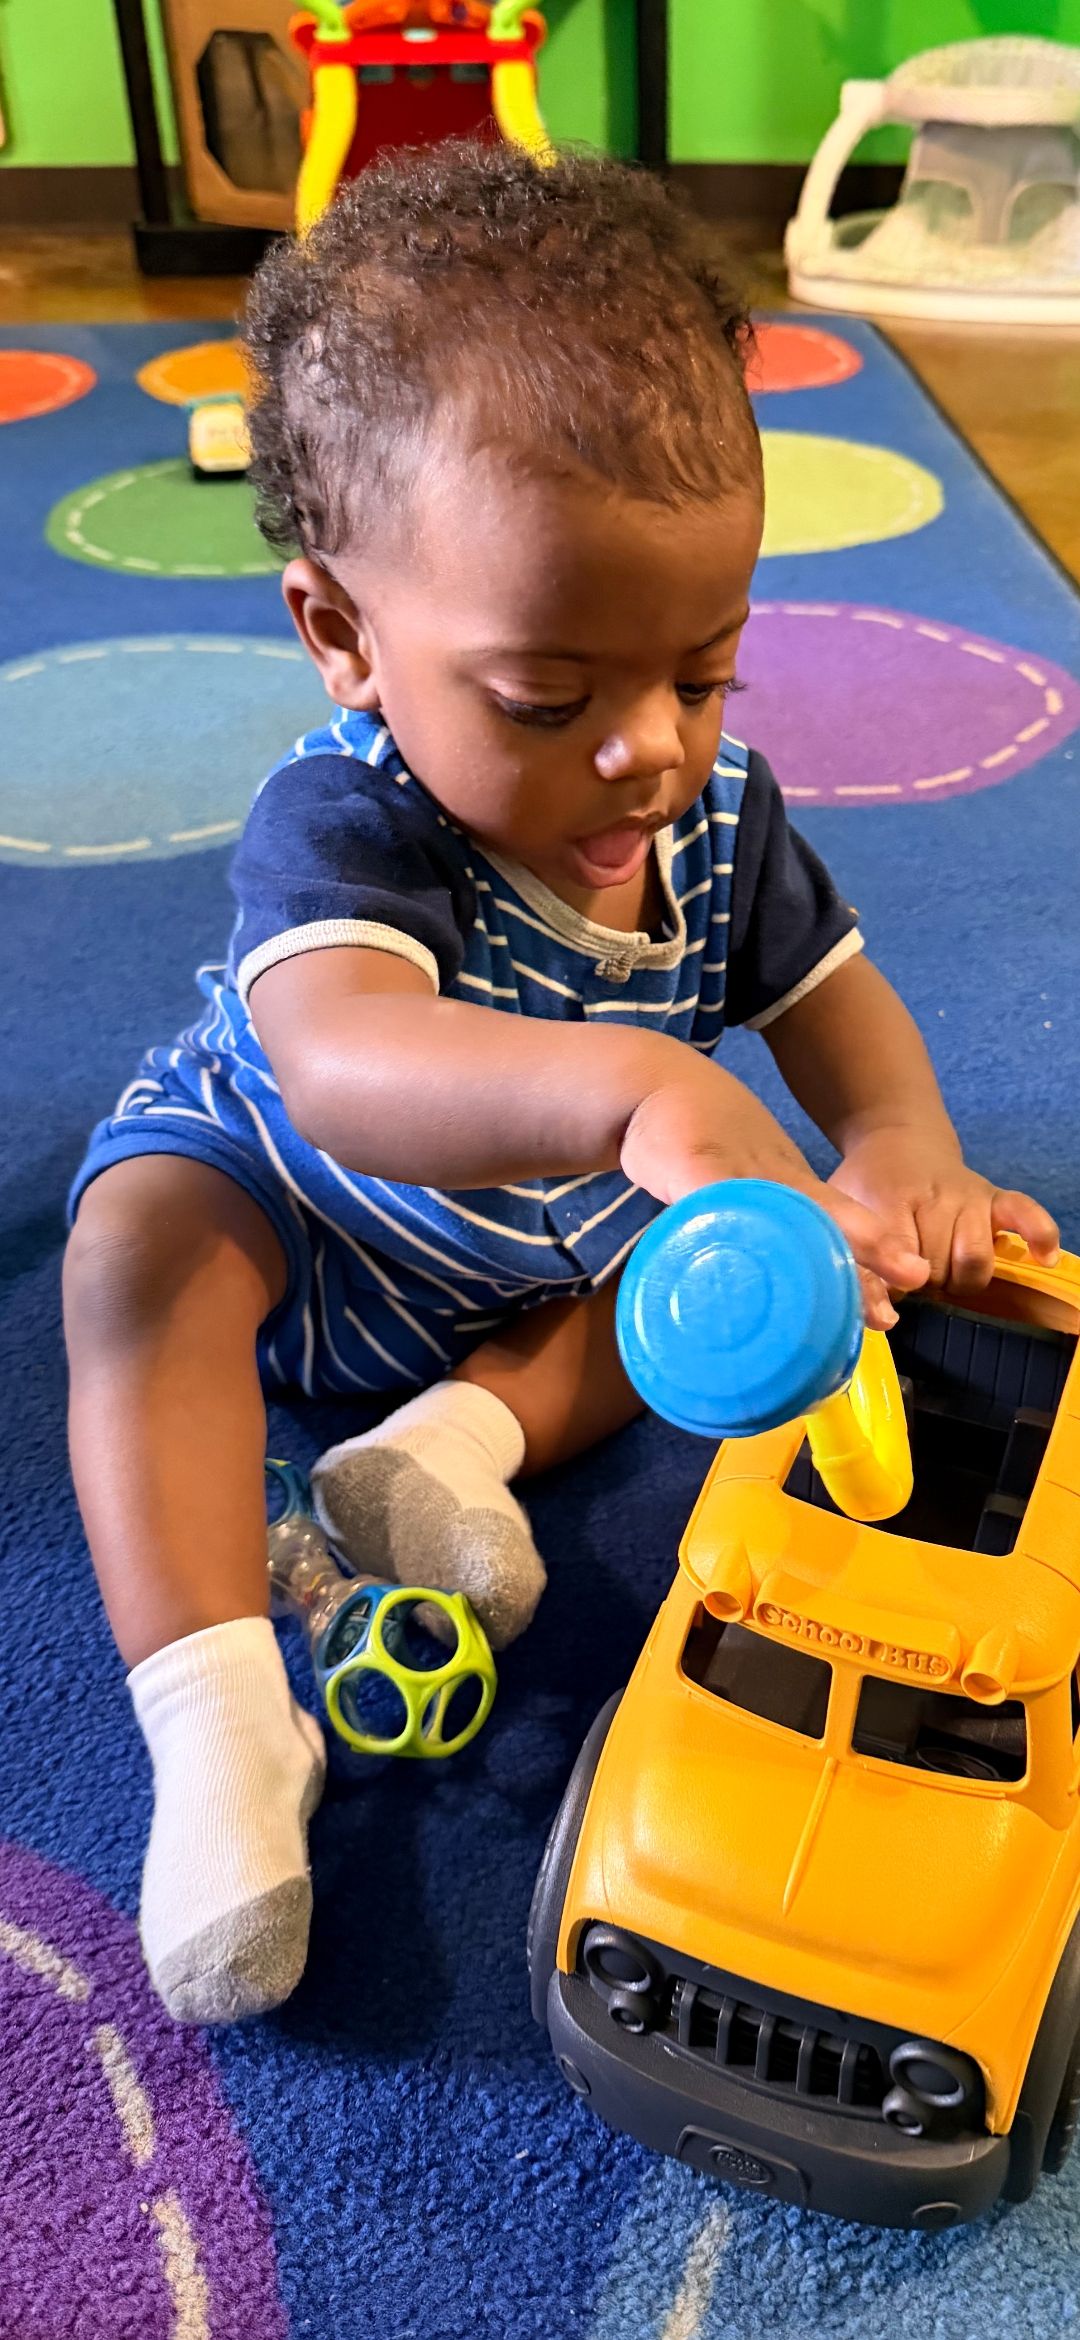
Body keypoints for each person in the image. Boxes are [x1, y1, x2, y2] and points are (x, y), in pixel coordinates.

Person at [62, 142, 1058, 2027]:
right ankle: (218, 1727)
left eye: (707, 673)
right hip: (294, 1194)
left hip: (538, 1252)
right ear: (343, 636)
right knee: (135, 1260)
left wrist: (900, 1146)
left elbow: (837, 998)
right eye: (546, 699)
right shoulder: (341, 816)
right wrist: (627, 1092)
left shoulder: (718, 813)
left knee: (711, 1281)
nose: (646, 755)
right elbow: (346, 1067)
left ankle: (452, 1450)